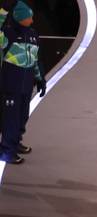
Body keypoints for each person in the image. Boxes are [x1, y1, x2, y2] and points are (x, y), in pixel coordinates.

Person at [0, 0, 44, 164]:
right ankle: (6, 151)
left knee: (22, 117)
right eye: (29, 17)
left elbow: (36, 58)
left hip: (26, 86)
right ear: (19, 17)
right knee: (10, 120)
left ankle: (15, 143)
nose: (32, 20)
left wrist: (40, 79)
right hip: (11, 85)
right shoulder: (8, 34)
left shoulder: (33, 34)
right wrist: (3, 11)